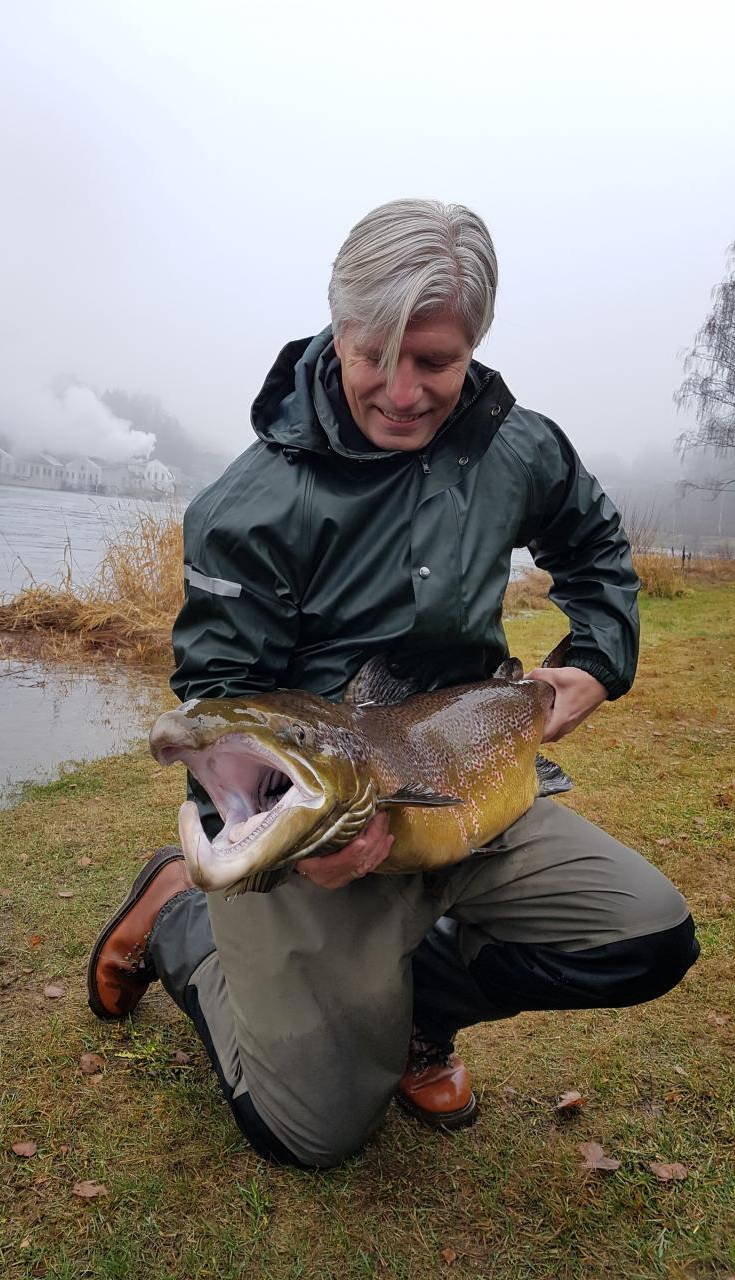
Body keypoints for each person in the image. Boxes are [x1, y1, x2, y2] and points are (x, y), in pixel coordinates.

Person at [87, 199, 699, 1168]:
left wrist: (594, 656)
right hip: (325, 814)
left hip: (469, 777)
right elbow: (220, 704)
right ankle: (183, 919)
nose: (404, 390)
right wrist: (302, 841)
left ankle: (415, 1016)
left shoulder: (516, 445)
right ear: (338, 325)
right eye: (375, 352)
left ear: (474, 348)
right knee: (311, 1133)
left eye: (437, 362)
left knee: (648, 935)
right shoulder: (250, 503)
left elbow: (594, 545)